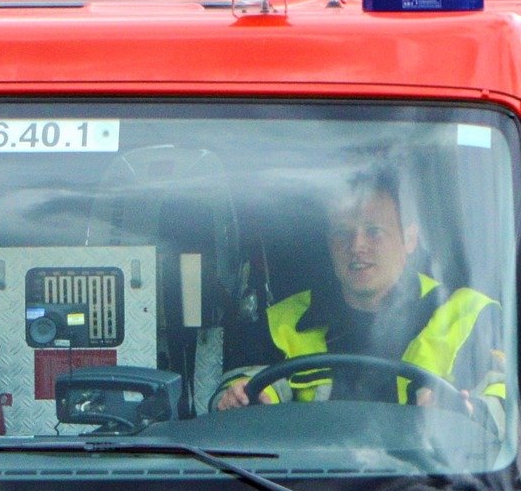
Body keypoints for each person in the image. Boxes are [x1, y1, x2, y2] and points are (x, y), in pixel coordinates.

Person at [215, 169, 503, 415]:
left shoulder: (468, 314)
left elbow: (509, 409)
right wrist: (237, 398)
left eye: (374, 231)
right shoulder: (281, 322)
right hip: (301, 478)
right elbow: (236, 393)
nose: (357, 246)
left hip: (430, 478)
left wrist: (467, 412)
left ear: (410, 239)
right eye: (342, 233)